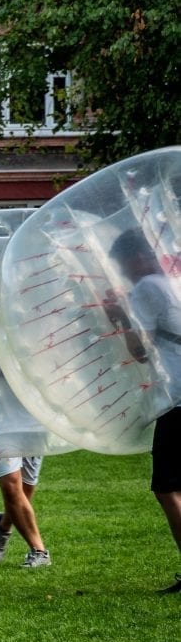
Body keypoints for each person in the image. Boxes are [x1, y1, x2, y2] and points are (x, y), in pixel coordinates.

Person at [105, 228, 181, 592]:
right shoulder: (173, 282)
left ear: (135, 259)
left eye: (121, 266)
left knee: (167, 487)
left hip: (179, 399)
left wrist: (119, 315)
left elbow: (139, 350)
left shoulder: (146, 288)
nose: (122, 274)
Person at [0, 300, 50, 568]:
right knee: (11, 485)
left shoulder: (39, 326)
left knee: (26, 488)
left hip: (33, 416)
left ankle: (2, 525)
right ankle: (39, 551)